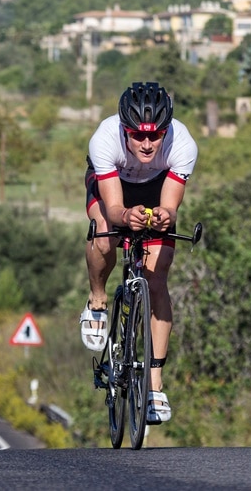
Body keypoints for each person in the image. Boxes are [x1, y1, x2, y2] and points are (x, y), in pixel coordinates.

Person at [80, 81, 198, 424]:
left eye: (156, 136)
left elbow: (171, 206)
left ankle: (154, 386)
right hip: (113, 187)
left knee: (157, 278)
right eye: (137, 135)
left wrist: (164, 216)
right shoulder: (104, 139)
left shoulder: (183, 143)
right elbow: (115, 207)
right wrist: (124, 217)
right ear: (123, 129)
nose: (147, 144)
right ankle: (98, 300)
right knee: (105, 236)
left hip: (155, 188)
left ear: (166, 130)